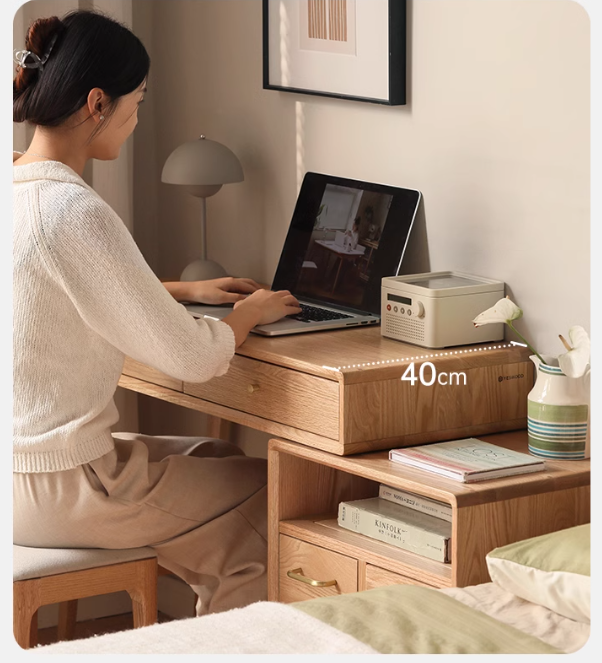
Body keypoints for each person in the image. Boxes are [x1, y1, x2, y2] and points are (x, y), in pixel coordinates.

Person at [12, 10, 301, 616]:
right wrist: (247, 312)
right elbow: (194, 358)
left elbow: (47, 291)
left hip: (20, 474)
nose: (138, 117)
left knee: (221, 460)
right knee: (267, 498)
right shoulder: (73, 211)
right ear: (98, 103)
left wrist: (181, 291)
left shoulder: (18, 190)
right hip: (63, 486)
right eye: (135, 101)